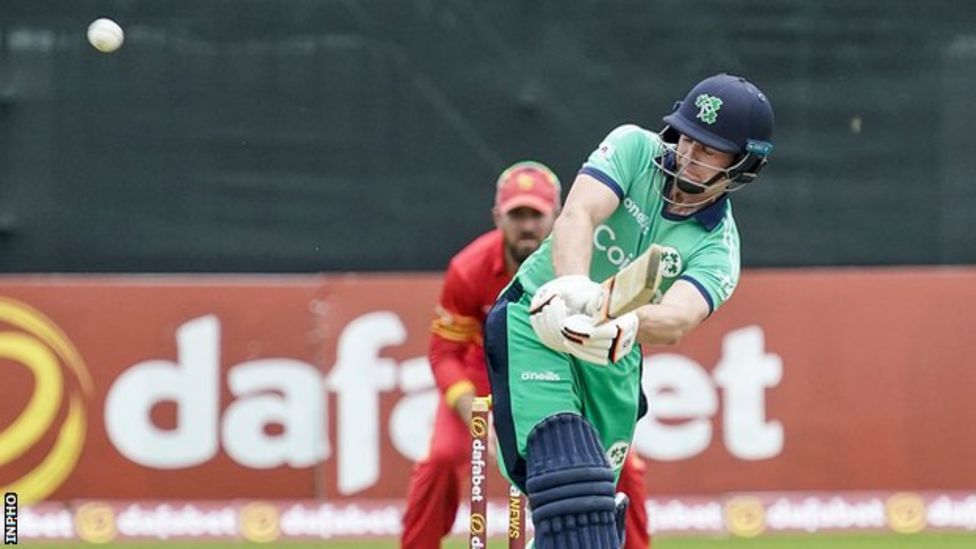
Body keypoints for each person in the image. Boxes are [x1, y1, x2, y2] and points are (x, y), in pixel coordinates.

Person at [483, 73, 775, 548]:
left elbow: (679, 317)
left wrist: (625, 326)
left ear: (742, 165)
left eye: (708, 150)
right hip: (536, 321)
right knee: (569, 479)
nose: (688, 154)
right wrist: (574, 287)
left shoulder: (719, 248)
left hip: (612, 354)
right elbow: (580, 213)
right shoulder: (634, 148)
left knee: (592, 515)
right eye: (687, 137)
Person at [400, 161, 652, 548]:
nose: (527, 226)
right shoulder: (469, 269)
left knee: (622, 468)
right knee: (440, 461)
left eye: (536, 215)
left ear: (557, 214)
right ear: (498, 217)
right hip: (486, 381)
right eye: (517, 215)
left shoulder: (587, 262)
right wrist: (476, 416)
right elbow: (444, 354)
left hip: (563, 375)